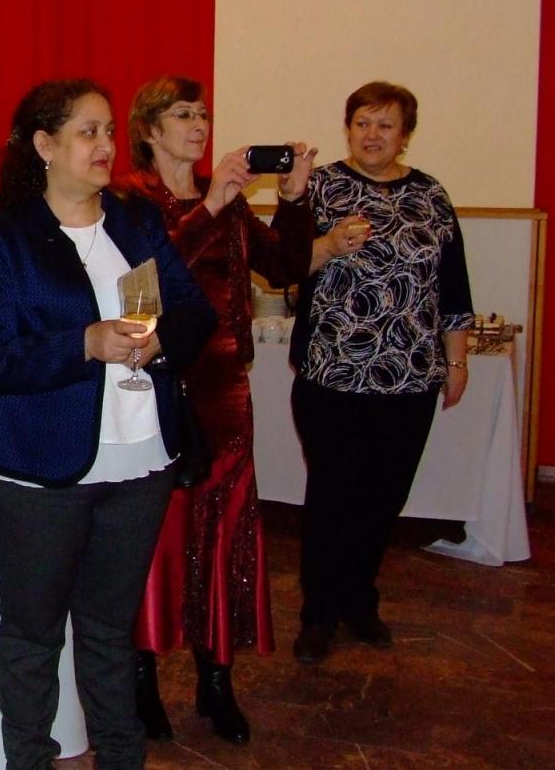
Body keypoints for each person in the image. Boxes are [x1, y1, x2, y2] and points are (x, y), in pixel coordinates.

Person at [0, 79, 216, 770]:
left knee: (109, 632)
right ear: (45, 145)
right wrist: (85, 344)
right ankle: (30, 761)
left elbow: (194, 312)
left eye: (108, 132)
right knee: (33, 637)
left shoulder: (135, 222)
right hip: (40, 471)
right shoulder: (3, 236)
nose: (105, 146)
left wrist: (159, 343)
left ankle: (122, 758)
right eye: (87, 132)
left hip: (141, 462)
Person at [122, 76, 334, 744]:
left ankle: (217, 679)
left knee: (225, 535)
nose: (199, 124)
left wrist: (293, 198)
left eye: (204, 113)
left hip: (226, 390)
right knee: (158, 534)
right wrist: (212, 204)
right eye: (183, 113)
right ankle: (140, 677)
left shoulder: (230, 201)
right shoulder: (129, 199)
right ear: (150, 129)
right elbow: (148, 277)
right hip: (158, 385)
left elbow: (286, 266)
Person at [290, 81, 473, 665]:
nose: (372, 134)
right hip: (332, 376)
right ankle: (318, 614)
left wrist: (457, 360)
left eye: (386, 124)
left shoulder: (431, 194)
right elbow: (283, 268)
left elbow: (453, 288)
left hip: (410, 378)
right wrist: (328, 243)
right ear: (348, 129)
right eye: (362, 122)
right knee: (331, 497)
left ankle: (359, 600)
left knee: (382, 498)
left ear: (405, 134)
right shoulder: (320, 186)